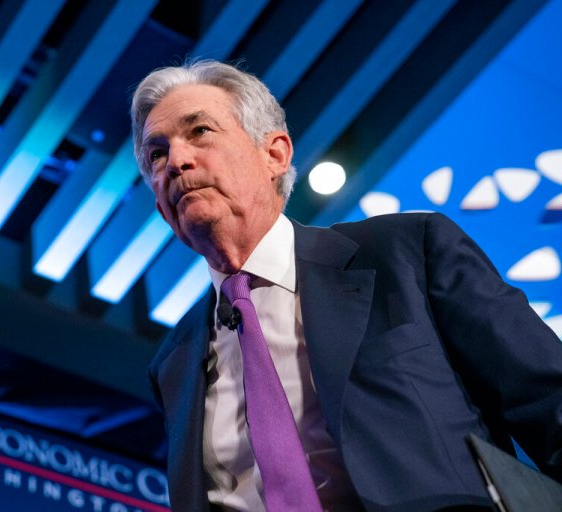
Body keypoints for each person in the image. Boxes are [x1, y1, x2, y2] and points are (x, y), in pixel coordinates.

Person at [130, 59, 562, 511]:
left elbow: (549, 401)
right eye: (156, 153)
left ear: (274, 155)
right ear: (162, 209)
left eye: (200, 131)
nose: (176, 162)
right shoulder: (173, 363)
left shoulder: (407, 253)